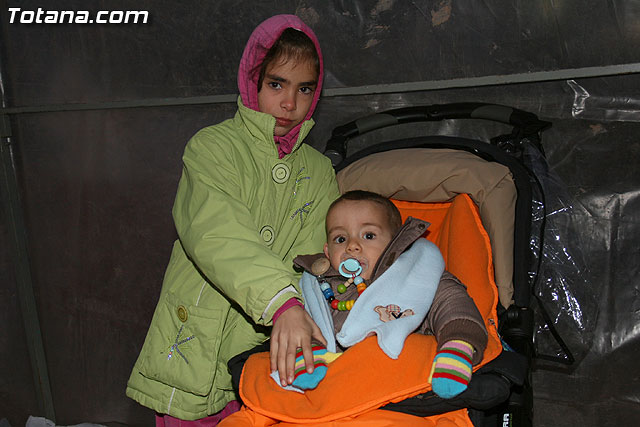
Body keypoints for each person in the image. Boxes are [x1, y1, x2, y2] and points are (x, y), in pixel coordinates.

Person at [125, 14, 340, 425]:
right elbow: (216, 234)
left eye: (304, 89)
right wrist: (283, 303)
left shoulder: (319, 171)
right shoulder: (212, 148)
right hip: (197, 344)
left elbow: (314, 255)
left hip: (266, 353)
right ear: (252, 79)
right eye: (277, 84)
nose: (290, 103)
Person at [290, 190, 488, 399]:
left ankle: (456, 349)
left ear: (396, 245)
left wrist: (457, 341)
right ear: (328, 252)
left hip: (403, 381)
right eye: (340, 238)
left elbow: (452, 303)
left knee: (447, 301)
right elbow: (304, 321)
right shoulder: (321, 286)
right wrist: (308, 348)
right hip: (344, 385)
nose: (352, 246)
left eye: (368, 236)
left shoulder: (418, 275)